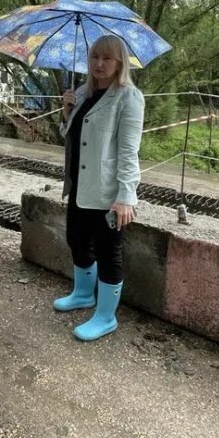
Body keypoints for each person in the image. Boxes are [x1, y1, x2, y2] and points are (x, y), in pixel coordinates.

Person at [54, 35, 145, 341]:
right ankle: (83, 294)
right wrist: (66, 112)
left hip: (108, 194)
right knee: (76, 240)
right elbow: (70, 135)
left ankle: (106, 317)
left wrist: (125, 197)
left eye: (107, 58)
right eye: (94, 57)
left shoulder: (128, 97)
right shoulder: (82, 92)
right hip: (80, 187)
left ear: (120, 62)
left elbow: (129, 152)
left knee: (108, 252)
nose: (99, 64)